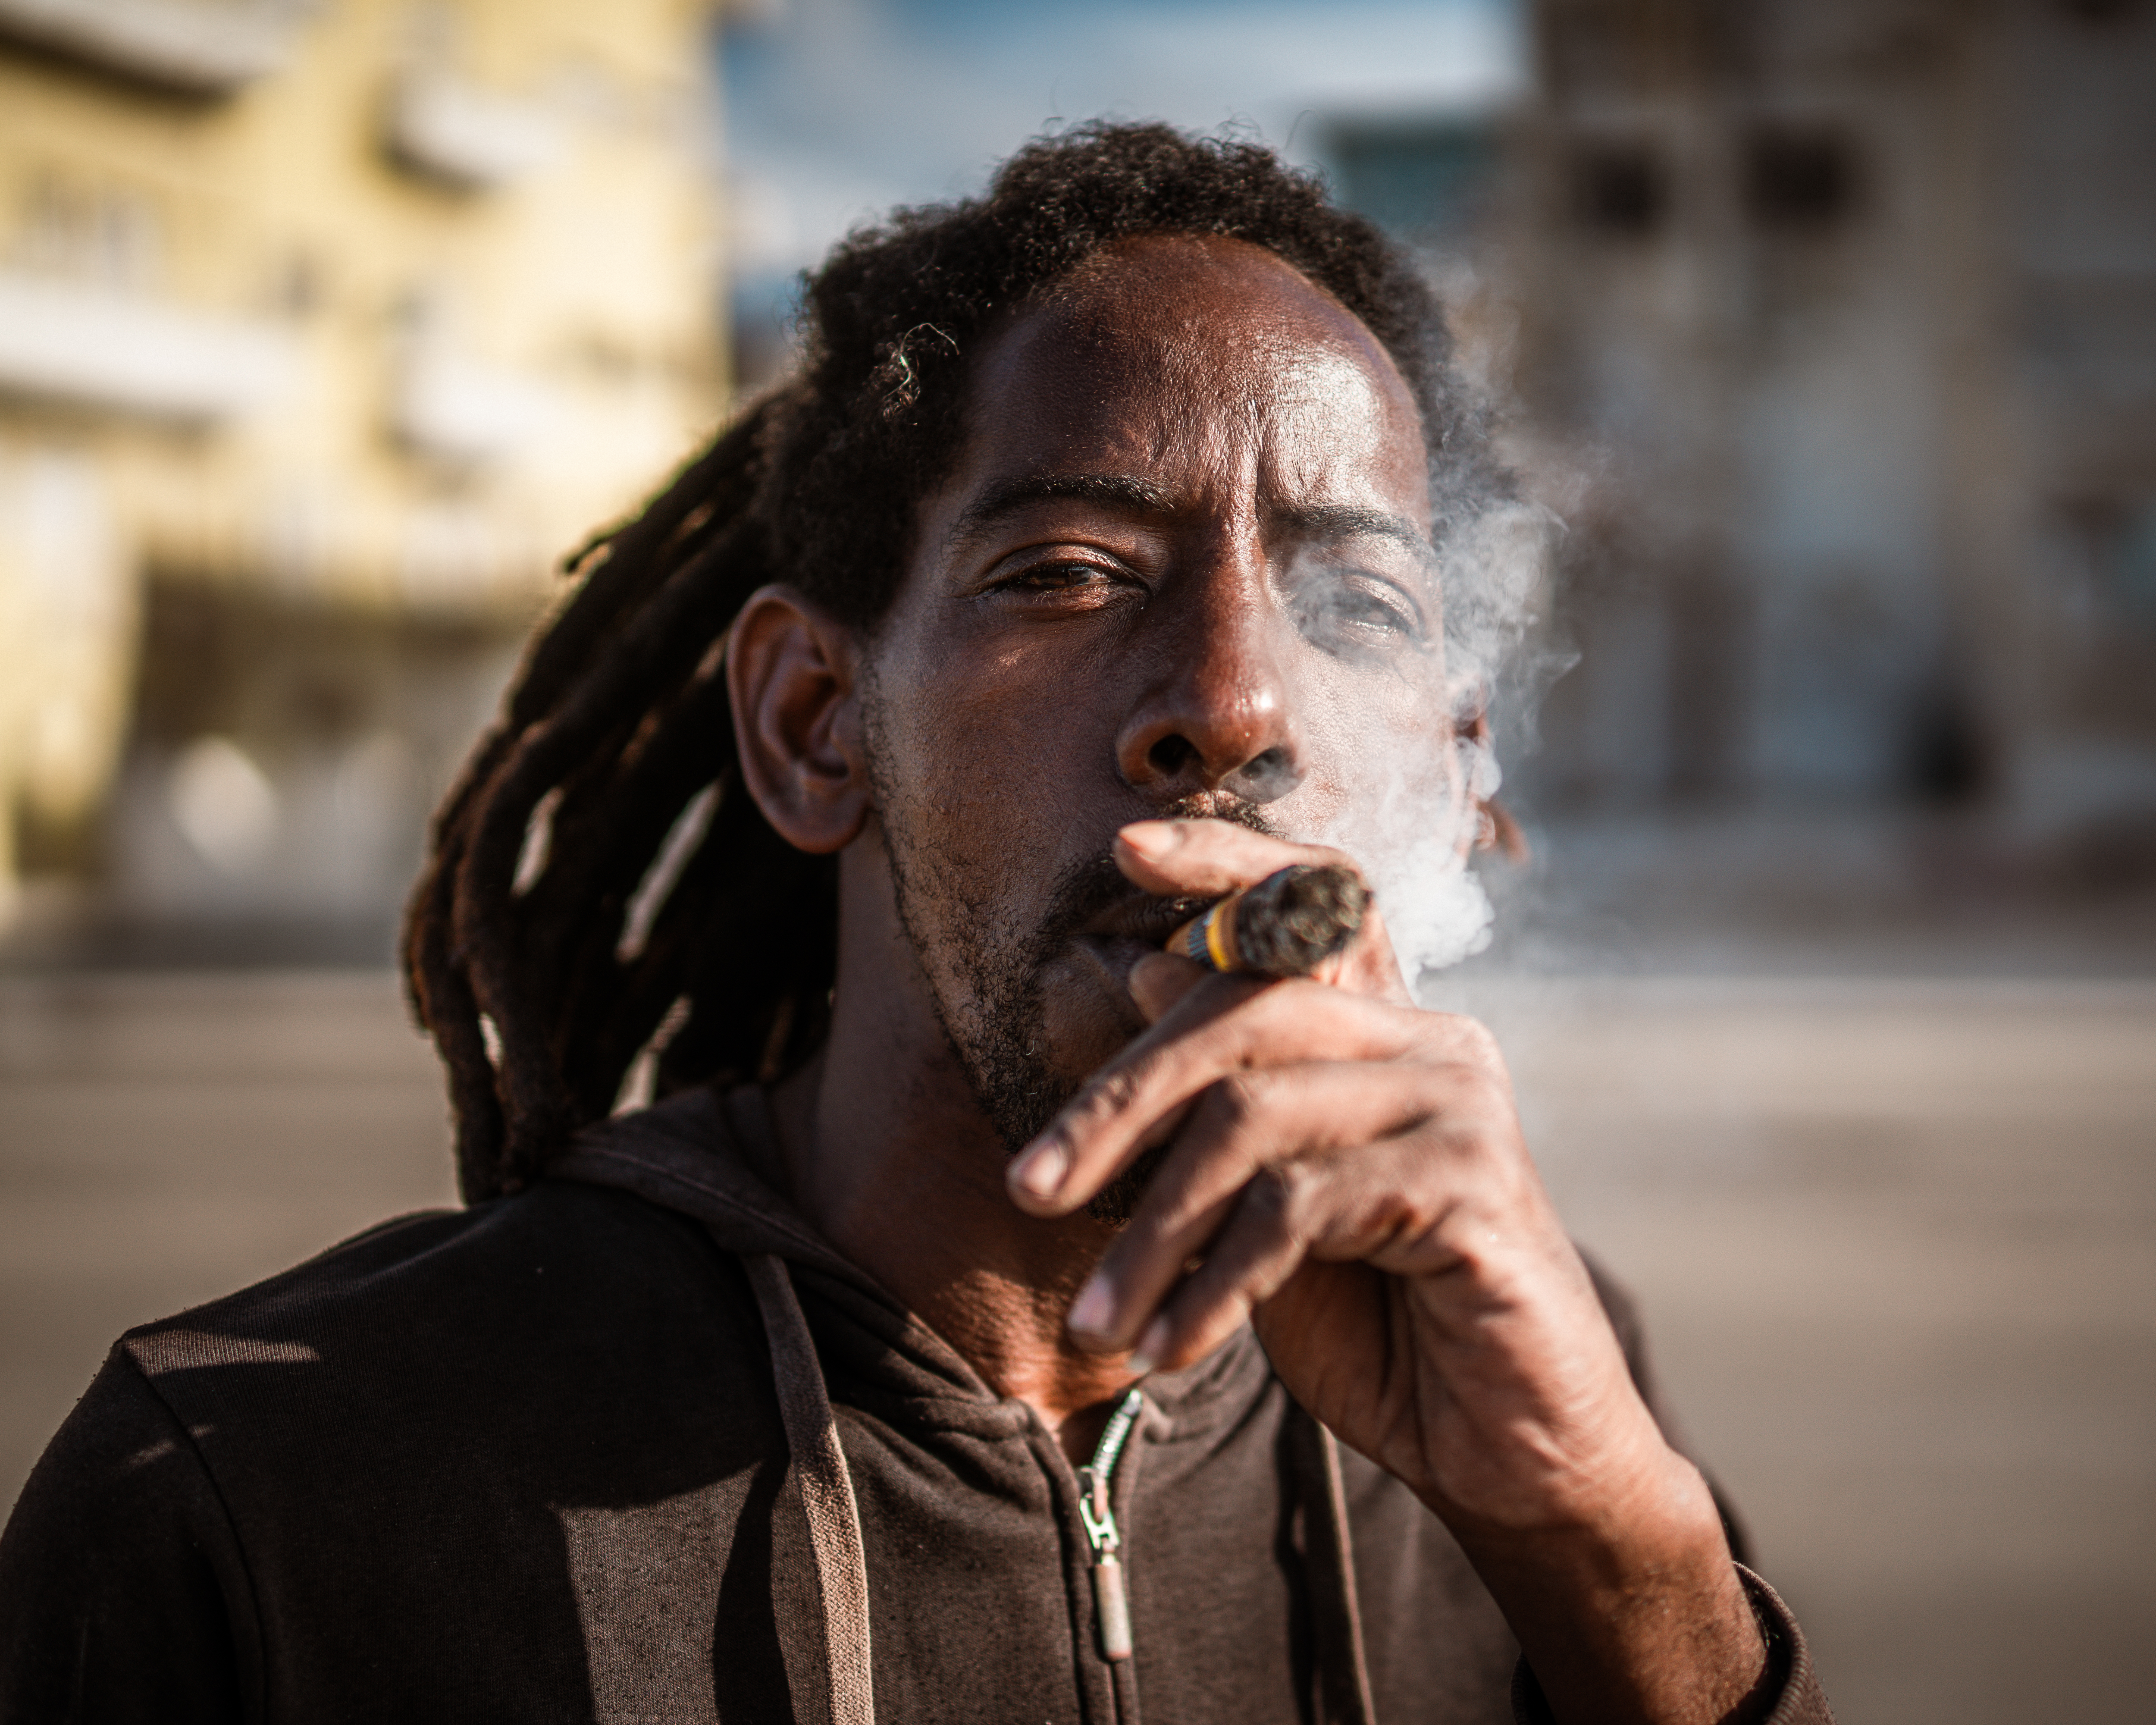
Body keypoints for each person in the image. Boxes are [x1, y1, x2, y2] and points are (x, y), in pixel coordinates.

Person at [0, 123, 1832, 1725]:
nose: (1233, 700)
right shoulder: (258, 1495)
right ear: (815, 722)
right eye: (1067, 573)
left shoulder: (1541, 1372)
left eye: (1351, 602)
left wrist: (1614, 1550)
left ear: (1442, 775)